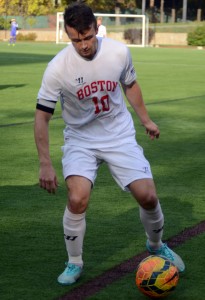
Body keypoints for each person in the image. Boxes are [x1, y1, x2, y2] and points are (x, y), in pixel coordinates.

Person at [34, 3, 185, 286]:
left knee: (148, 197)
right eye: (75, 40)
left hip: (119, 135)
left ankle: (155, 245)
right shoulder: (57, 68)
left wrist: (146, 120)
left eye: (87, 36)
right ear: (67, 34)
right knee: (77, 198)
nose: (83, 45)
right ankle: (74, 262)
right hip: (81, 139)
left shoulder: (117, 52)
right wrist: (45, 162)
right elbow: (42, 117)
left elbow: (130, 84)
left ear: (96, 25)